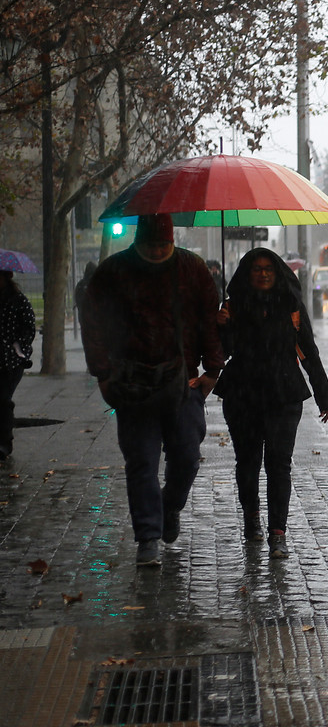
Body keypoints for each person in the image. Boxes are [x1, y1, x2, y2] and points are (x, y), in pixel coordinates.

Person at [82, 213, 224, 567]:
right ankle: (148, 536)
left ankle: (169, 506)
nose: (158, 251)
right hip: (132, 383)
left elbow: (209, 318)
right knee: (141, 462)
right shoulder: (113, 272)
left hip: (184, 380)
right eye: (151, 245)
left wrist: (213, 370)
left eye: (164, 244)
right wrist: (103, 374)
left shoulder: (192, 269)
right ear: (138, 242)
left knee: (187, 455)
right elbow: (94, 324)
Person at [214, 247, 328, 559]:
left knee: (279, 464)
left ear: (277, 272)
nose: (263, 273)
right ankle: (251, 518)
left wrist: (323, 392)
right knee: (248, 461)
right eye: (257, 269)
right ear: (247, 274)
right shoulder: (233, 306)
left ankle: (277, 532)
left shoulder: (290, 306)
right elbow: (221, 353)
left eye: (269, 268)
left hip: (284, 394)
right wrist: (221, 325)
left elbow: (307, 348)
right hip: (242, 395)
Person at [0, 270, 36, 460]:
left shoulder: (18, 301)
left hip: (11, 361)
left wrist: (17, 347)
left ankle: (4, 442)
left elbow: (29, 328)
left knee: (3, 399)